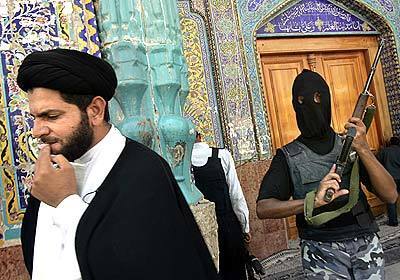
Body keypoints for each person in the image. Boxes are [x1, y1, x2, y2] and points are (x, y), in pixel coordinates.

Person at [17, 49, 218, 280]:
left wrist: (66, 205)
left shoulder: (144, 172)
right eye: (35, 117)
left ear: (95, 111)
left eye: (51, 116)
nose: (37, 131)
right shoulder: (51, 173)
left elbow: (142, 266)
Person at [256, 69, 397, 279]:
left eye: (318, 97)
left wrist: (364, 149)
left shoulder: (351, 145)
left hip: (365, 241)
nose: (313, 105)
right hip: (319, 249)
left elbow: (391, 195)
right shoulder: (288, 156)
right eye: (303, 100)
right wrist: (310, 202)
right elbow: (263, 208)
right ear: (295, 105)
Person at [191, 132, 251, 280]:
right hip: (228, 226)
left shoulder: (183, 164)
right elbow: (236, 196)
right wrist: (245, 227)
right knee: (235, 271)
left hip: (202, 230)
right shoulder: (222, 155)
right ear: (200, 136)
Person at [376, 136, 400, 226]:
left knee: (391, 200)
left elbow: (376, 162)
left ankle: (393, 221)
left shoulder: (384, 151)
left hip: (389, 179)